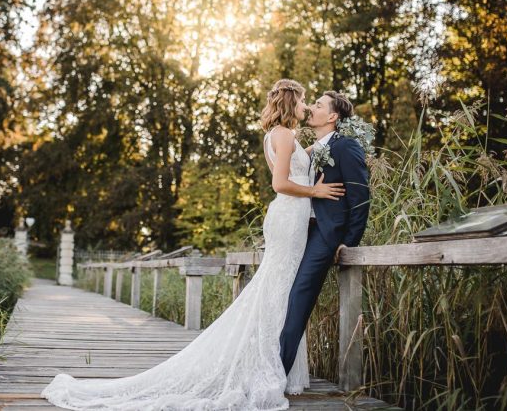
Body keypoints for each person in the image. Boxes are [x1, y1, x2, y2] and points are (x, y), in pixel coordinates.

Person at [40, 79, 345, 410]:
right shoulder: (284, 135)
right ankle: (259, 367)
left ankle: (269, 363)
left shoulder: (280, 135)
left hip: (291, 219)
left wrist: (327, 145)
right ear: (291, 102)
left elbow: (303, 160)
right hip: (289, 219)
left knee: (279, 293)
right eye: (302, 101)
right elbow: (280, 183)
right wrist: (315, 191)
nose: (306, 107)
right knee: (276, 292)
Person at [278, 91, 370, 375]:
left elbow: (361, 197)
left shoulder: (346, 146)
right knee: (283, 294)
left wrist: (348, 242)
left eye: (318, 105)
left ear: (332, 116)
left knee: (299, 297)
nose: (311, 108)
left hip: (325, 235)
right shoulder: (314, 148)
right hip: (301, 229)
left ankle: (277, 372)